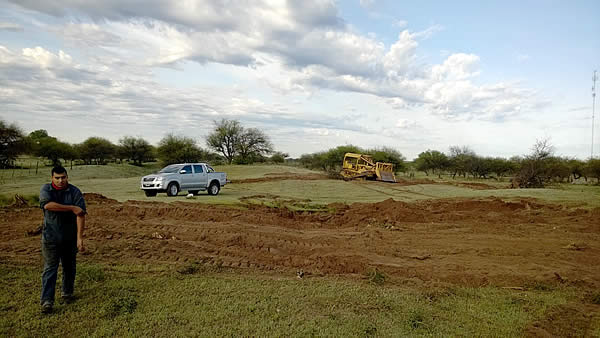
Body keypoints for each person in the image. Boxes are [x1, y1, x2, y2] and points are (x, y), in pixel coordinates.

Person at [39, 166, 86, 314]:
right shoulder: (46, 190)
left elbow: (81, 214)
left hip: (69, 238)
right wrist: (71, 208)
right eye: (57, 178)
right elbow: (47, 205)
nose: (60, 181)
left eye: (63, 177)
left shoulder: (74, 191)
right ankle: (47, 301)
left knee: (69, 266)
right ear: (52, 178)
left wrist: (79, 238)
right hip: (51, 237)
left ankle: (67, 293)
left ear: (67, 177)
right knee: (50, 268)